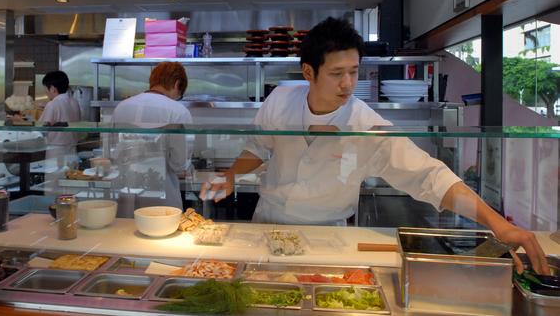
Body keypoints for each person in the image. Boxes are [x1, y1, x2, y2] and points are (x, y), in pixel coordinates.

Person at [200, 17, 549, 275]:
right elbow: (258, 148)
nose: (349, 83)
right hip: (267, 227)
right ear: (308, 72)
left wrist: (496, 223)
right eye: (337, 73)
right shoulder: (280, 99)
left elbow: (429, 176)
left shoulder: (366, 124)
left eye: (354, 71)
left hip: (329, 240)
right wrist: (231, 175)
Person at [111, 62, 193, 210]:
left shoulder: (121, 107)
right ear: (177, 84)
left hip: (125, 194)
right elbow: (179, 164)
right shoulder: (177, 111)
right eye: (179, 95)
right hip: (163, 198)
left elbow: (113, 152)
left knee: (123, 231)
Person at [39, 70, 82, 194]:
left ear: (52, 88)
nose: (46, 93)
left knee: (53, 189)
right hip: (73, 150)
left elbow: (42, 128)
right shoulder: (74, 102)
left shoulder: (53, 104)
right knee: (70, 187)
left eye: (46, 89)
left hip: (56, 151)